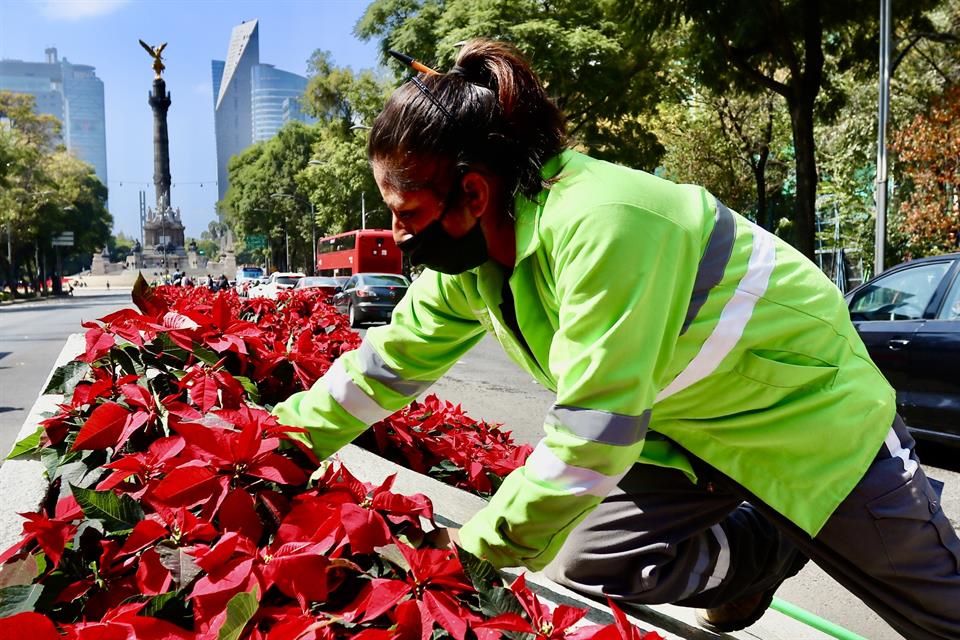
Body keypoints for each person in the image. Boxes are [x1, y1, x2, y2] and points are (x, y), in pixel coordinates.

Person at [272, 40, 960, 638]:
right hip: (691, 438)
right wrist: (276, 449)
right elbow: (385, 366)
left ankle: (801, 519)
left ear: (473, 194)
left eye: (406, 213)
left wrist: (471, 555)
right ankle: (765, 549)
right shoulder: (477, 258)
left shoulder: (606, 224)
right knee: (592, 552)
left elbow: (596, 427)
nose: (396, 236)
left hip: (814, 432)